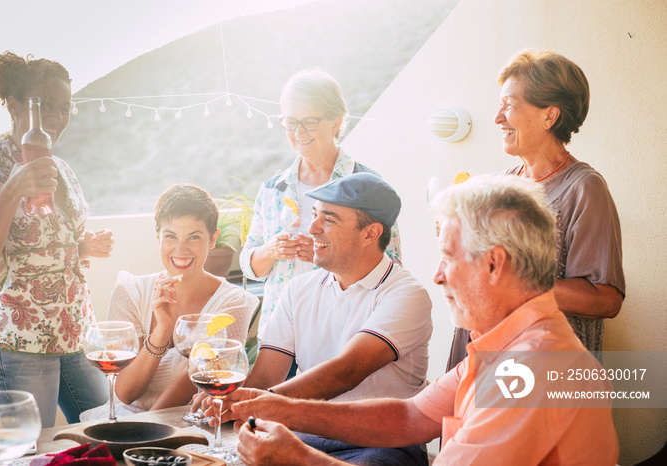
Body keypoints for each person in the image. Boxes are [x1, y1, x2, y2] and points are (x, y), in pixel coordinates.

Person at [221, 175, 619, 466]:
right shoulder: (509, 346)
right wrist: (281, 408)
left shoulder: (534, 369)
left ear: (495, 264)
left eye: (448, 256)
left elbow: (356, 376)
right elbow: (411, 416)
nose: (438, 275)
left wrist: (297, 458)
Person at [195, 172, 431, 464]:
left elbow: (348, 370)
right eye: (315, 215)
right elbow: (267, 375)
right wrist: (234, 399)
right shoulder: (299, 289)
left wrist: (258, 401)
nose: (313, 228)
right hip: (303, 433)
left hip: (382, 444)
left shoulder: (406, 294)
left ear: (371, 233)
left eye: (328, 219)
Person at [447, 50, 625, 370]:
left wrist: (512, 284)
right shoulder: (499, 186)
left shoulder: (584, 189)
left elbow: (606, 299)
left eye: (510, 105)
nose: (497, 117)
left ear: (549, 116)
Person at [0, 51, 114, 427]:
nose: (55, 118)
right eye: (45, 105)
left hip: (76, 332)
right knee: (33, 453)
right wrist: (13, 187)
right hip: (21, 343)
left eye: (64, 108)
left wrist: (84, 246)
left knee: (105, 435)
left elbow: (49, 243)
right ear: (16, 107)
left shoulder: (61, 168)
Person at [240, 69, 401, 343]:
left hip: (344, 333)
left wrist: (323, 258)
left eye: (310, 121)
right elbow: (249, 265)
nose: (298, 132)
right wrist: (271, 250)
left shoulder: (367, 185)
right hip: (280, 334)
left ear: (336, 122)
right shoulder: (272, 189)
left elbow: (391, 267)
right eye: (290, 122)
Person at [80, 184, 258, 420]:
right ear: (158, 238)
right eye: (171, 236)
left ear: (213, 239)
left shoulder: (234, 302)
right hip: (130, 417)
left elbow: (199, 377)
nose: (181, 249)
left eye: (194, 237)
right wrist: (161, 332)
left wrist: (148, 431)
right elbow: (125, 392)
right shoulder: (131, 291)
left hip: (194, 419)